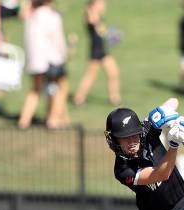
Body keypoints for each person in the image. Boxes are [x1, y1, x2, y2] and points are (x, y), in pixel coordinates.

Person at [18, 0, 69, 129]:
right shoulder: (52, 16)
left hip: (34, 61)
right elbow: (58, 40)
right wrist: (64, 54)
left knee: (35, 90)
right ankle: (53, 119)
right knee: (60, 89)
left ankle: (24, 121)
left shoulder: (31, 15)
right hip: (51, 59)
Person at [73, 0, 121, 106]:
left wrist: (113, 35)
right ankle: (78, 98)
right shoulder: (91, 16)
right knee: (90, 76)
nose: (103, 6)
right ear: (94, 5)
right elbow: (92, 20)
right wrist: (91, 9)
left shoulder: (99, 17)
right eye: (101, 4)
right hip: (95, 51)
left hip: (103, 50)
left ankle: (114, 98)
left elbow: (102, 32)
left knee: (114, 73)